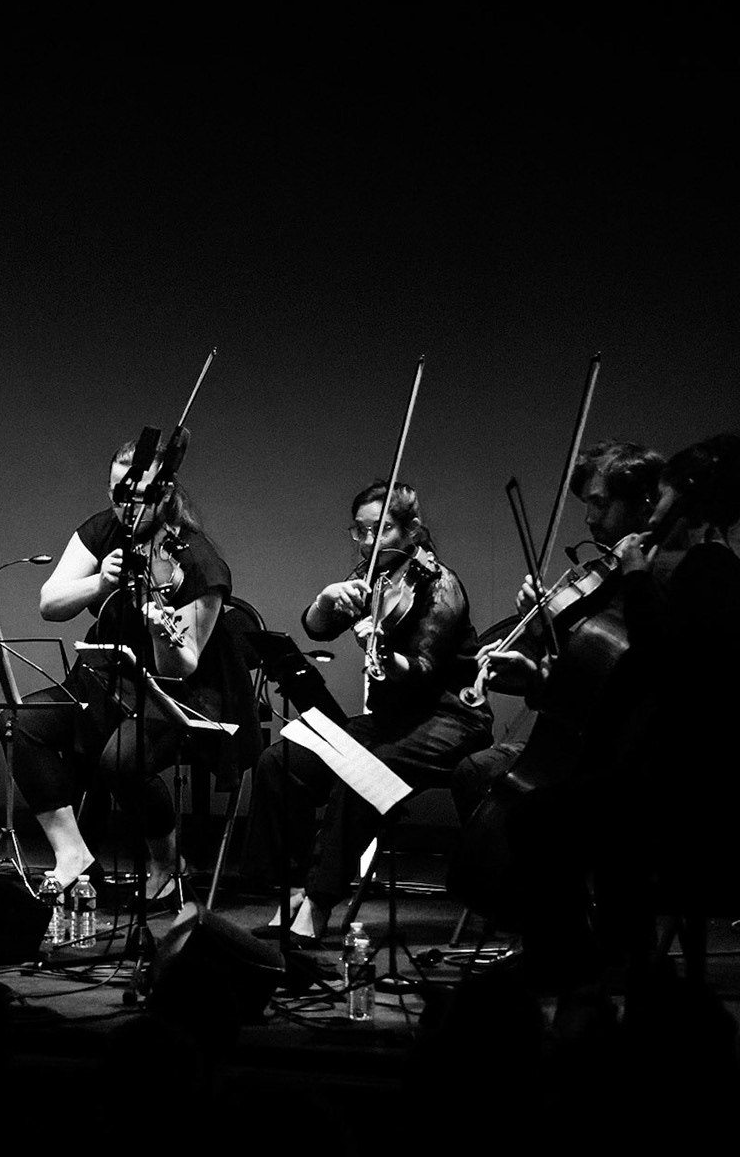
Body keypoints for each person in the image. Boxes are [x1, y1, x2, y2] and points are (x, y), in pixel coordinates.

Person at [504, 433, 740, 1019]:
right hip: (662, 770)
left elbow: (664, 664)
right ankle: (605, 956)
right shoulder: (698, 568)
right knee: (569, 801)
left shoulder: (709, 572)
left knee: (541, 813)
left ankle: (577, 968)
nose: (654, 508)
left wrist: (635, 577)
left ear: (686, 499)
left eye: (660, 495)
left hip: (692, 788)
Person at [7, 441, 260, 903]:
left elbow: (183, 665)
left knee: (119, 761)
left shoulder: (198, 562)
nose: (125, 507)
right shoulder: (106, 530)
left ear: (164, 496)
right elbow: (50, 604)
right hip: (107, 679)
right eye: (117, 493)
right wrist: (99, 582)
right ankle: (74, 855)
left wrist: (161, 632)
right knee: (20, 723)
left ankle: (167, 861)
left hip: (182, 694)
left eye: (138, 496)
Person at [245, 481, 493, 942]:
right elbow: (317, 629)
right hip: (391, 722)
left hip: (449, 720)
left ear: (413, 530)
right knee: (282, 760)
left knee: (361, 770)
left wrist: (379, 651)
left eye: (380, 531)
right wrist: (323, 601)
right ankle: (293, 888)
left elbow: (419, 669)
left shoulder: (442, 586)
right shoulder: (376, 578)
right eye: (359, 531)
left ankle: (319, 904)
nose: (368, 543)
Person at [449, 439, 665, 818]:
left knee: (483, 777)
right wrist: (536, 651)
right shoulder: (613, 578)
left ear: (644, 502)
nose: (589, 519)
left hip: (623, 756)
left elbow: (617, 692)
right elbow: (574, 677)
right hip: (582, 740)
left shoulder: (653, 581)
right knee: (474, 773)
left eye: (600, 503)